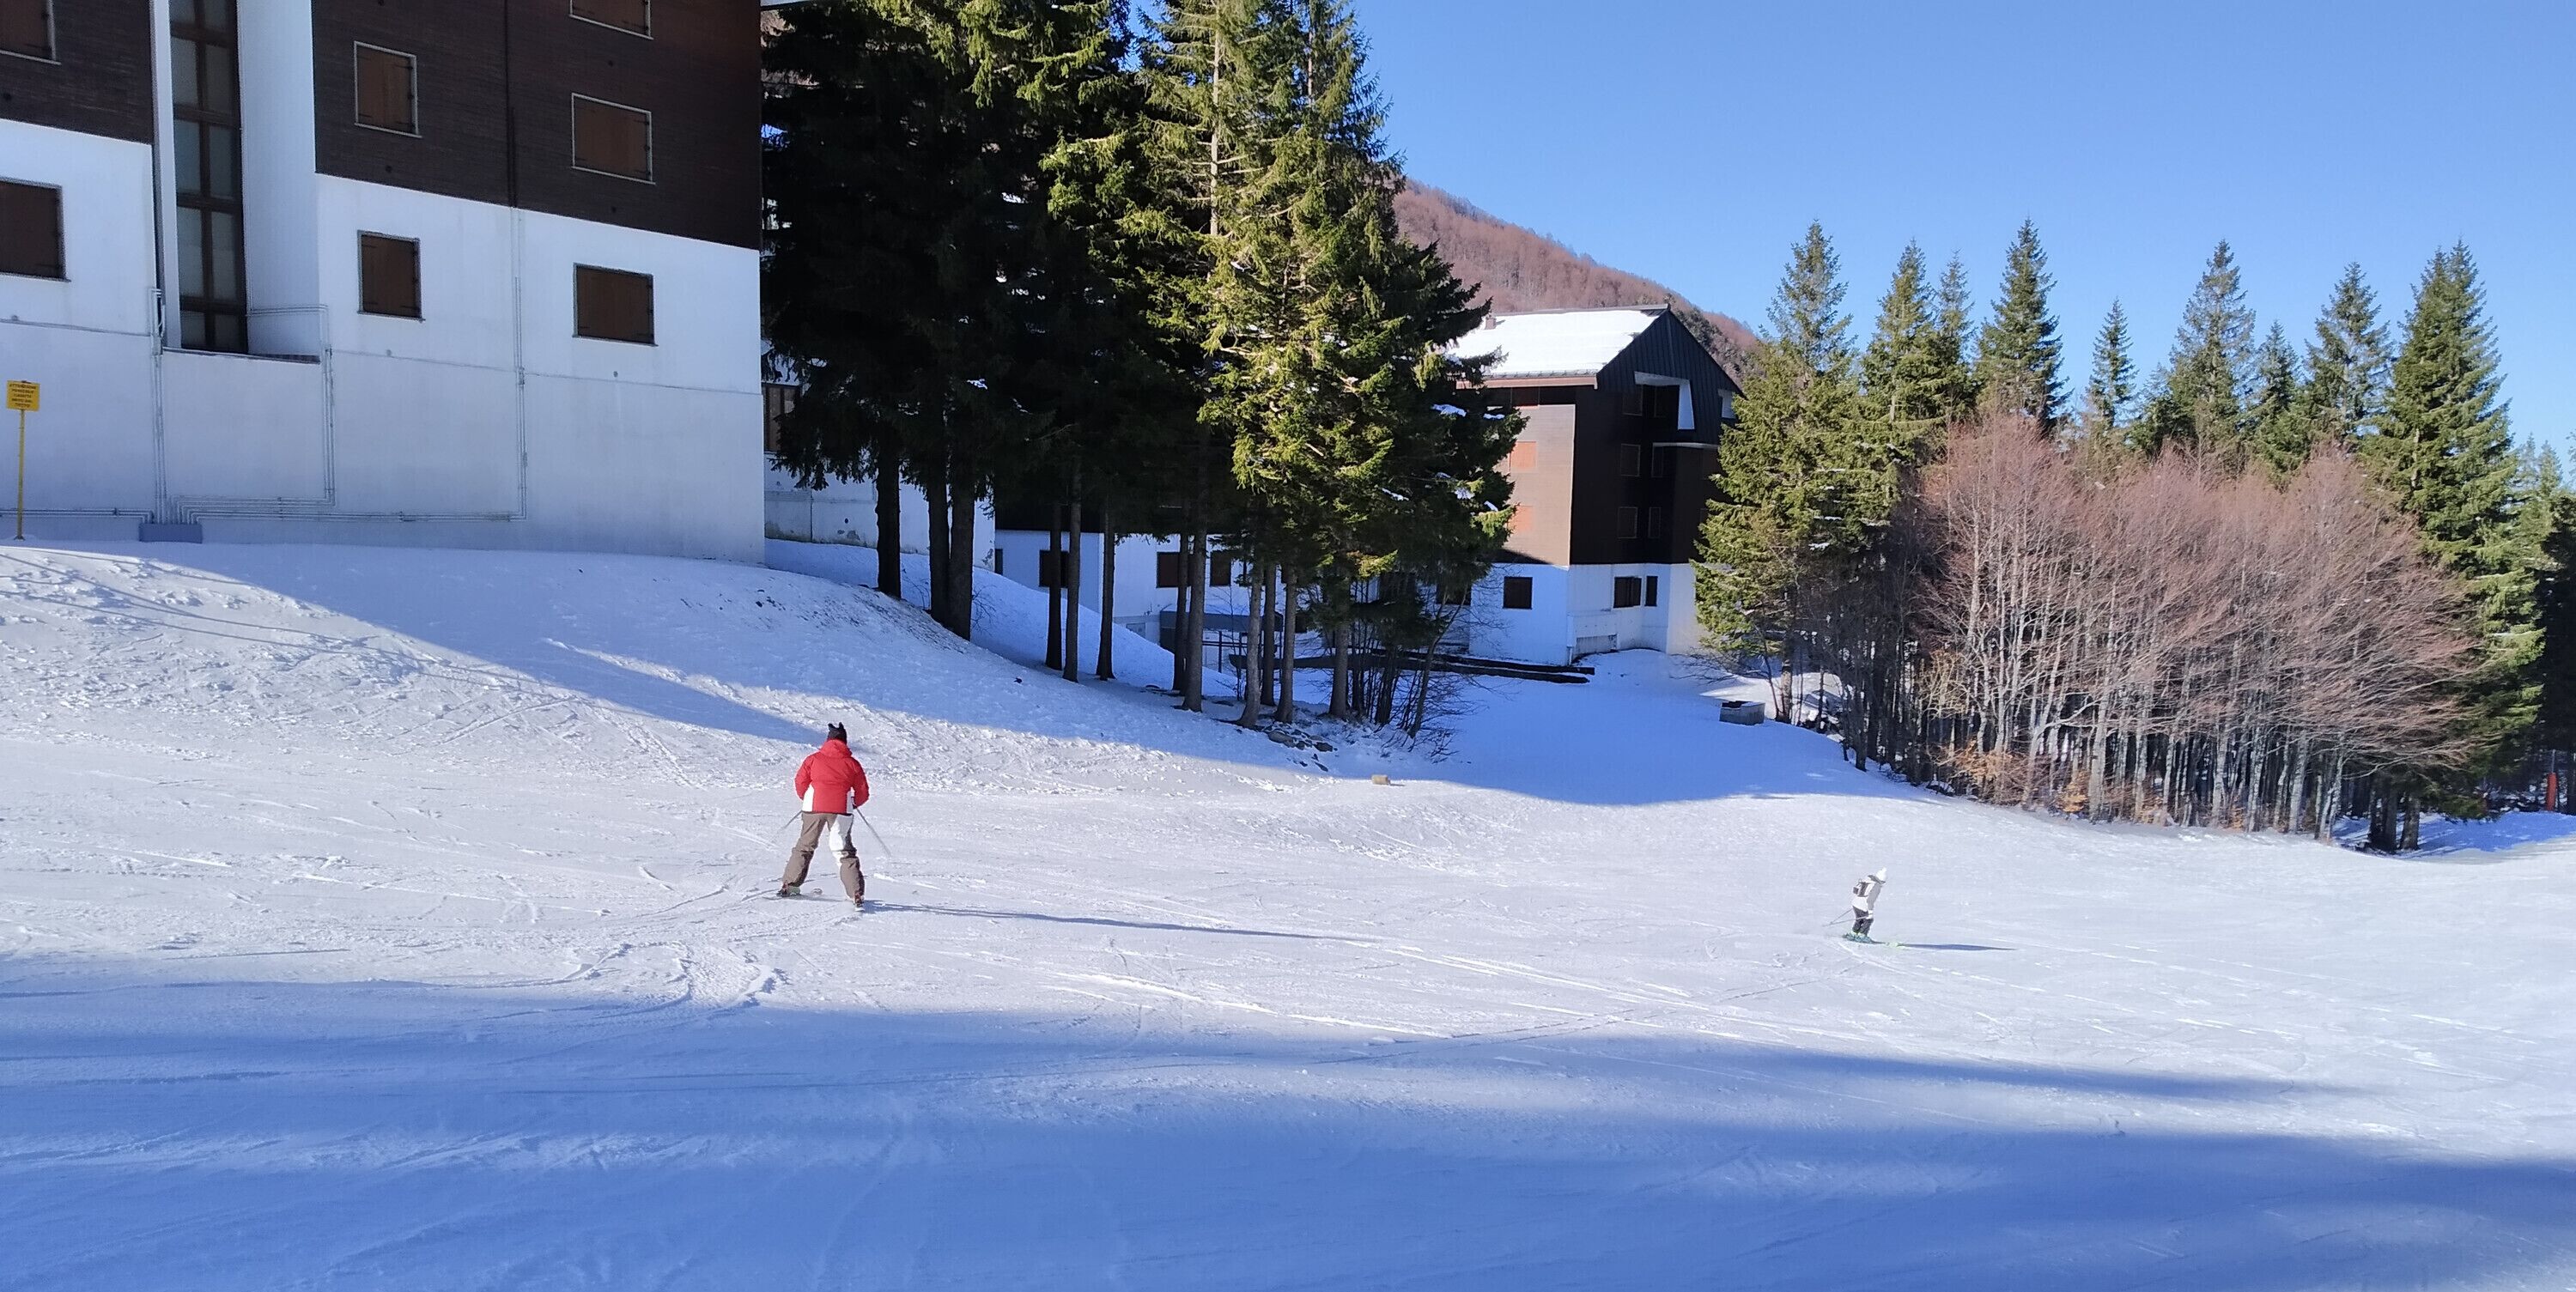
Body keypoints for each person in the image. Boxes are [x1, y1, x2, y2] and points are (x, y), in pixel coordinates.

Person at [782, 723, 870, 906]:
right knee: (843, 851)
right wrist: (854, 803)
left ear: (828, 740)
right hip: (841, 809)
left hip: (813, 807)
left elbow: (800, 781)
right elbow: (862, 790)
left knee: (805, 846)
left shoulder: (813, 759)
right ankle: (855, 894)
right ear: (845, 741)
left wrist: (805, 798)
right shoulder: (852, 763)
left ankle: (790, 885)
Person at [1848, 869, 1887, 940]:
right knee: (1868, 920)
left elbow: (1856, 890)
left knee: (1859, 919)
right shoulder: (1876, 886)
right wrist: (1870, 912)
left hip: (1855, 903)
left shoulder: (1867, 880)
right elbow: (1870, 900)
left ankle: (1853, 933)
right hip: (1863, 905)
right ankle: (1862, 936)